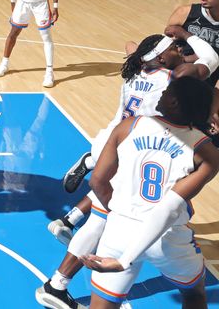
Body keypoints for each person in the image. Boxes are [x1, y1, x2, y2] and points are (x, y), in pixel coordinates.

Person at [36, 28, 218, 309]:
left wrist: (118, 207)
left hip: (118, 147)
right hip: (159, 215)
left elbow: (133, 45)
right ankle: (56, 281)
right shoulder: (178, 83)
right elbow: (209, 60)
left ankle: (61, 265)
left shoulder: (134, 74)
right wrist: (184, 35)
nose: (178, 51)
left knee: (99, 218)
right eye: (173, 48)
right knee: (192, 292)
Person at [79, 76, 219, 309]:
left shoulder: (129, 126)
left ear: (175, 102)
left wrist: (119, 211)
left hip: (119, 231)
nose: (162, 93)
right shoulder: (207, 151)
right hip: (168, 238)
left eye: (168, 91)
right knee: (193, 293)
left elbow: (97, 181)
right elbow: (168, 207)